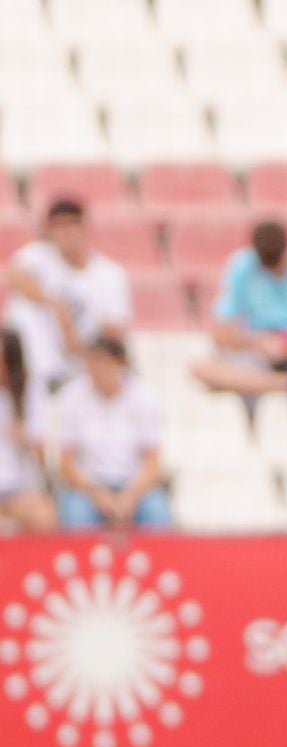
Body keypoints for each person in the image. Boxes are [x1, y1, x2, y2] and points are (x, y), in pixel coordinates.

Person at [191, 220, 287, 403]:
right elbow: (221, 333)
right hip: (259, 356)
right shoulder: (242, 267)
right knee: (204, 369)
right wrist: (257, 342)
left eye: (280, 264)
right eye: (268, 268)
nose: (275, 272)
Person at [4, 197, 131, 391]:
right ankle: (38, 375)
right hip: (39, 365)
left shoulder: (110, 274)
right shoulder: (39, 256)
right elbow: (15, 277)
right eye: (57, 226)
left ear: (85, 227)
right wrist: (56, 307)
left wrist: (76, 341)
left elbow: (112, 332)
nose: (65, 232)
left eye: (71, 225)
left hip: (83, 364)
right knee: (25, 308)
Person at [54, 336, 168, 529]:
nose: (95, 370)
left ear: (119, 363)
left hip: (134, 485)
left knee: (157, 513)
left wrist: (130, 495)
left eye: (101, 362)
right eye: (91, 362)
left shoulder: (144, 396)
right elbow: (66, 463)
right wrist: (96, 493)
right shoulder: (72, 396)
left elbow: (153, 462)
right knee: (77, 516)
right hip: (87, 487)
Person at [0, 329, 57, 532]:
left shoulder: (31, 391)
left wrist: (26, 439)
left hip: (19, 487)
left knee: (44, 517)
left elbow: (43, 459)